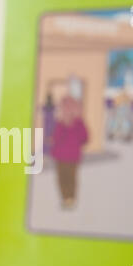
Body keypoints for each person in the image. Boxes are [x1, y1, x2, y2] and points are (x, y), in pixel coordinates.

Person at [50, 77, 88, 210]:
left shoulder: (61, 123)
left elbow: (56, 137)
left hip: (61, 157)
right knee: (72, 178)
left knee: (62, 178)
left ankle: (66, 198)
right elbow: (85, 138)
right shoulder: (79, 123)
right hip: (73, 156)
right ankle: (71, 198)